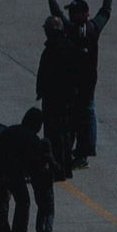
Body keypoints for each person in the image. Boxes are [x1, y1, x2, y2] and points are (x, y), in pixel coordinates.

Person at [47, 0, 113, 165]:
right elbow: (106, 11)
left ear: (82, 14)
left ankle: (77, 151)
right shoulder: (94, 27)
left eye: (73, 12)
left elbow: (56, 13)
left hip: (75, 82)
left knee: (74, 117)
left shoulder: (71, 30)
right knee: (89, 112)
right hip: (90, 79)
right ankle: (88, 149)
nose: (70, 14)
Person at [0, 109, 48, 232]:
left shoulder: (9, 130)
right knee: (23, 201)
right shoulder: (32, 138)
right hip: (14, 173)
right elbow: (35, 166)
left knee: (2, 202)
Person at [36, 16, 78, 178]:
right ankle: (67, 167)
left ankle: (56, 168)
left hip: (53, 99)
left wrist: (40, 91)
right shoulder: (71, 46)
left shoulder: (50, 50)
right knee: (67, 133)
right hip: (69, 99)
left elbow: (43, 73)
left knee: (53, 134)